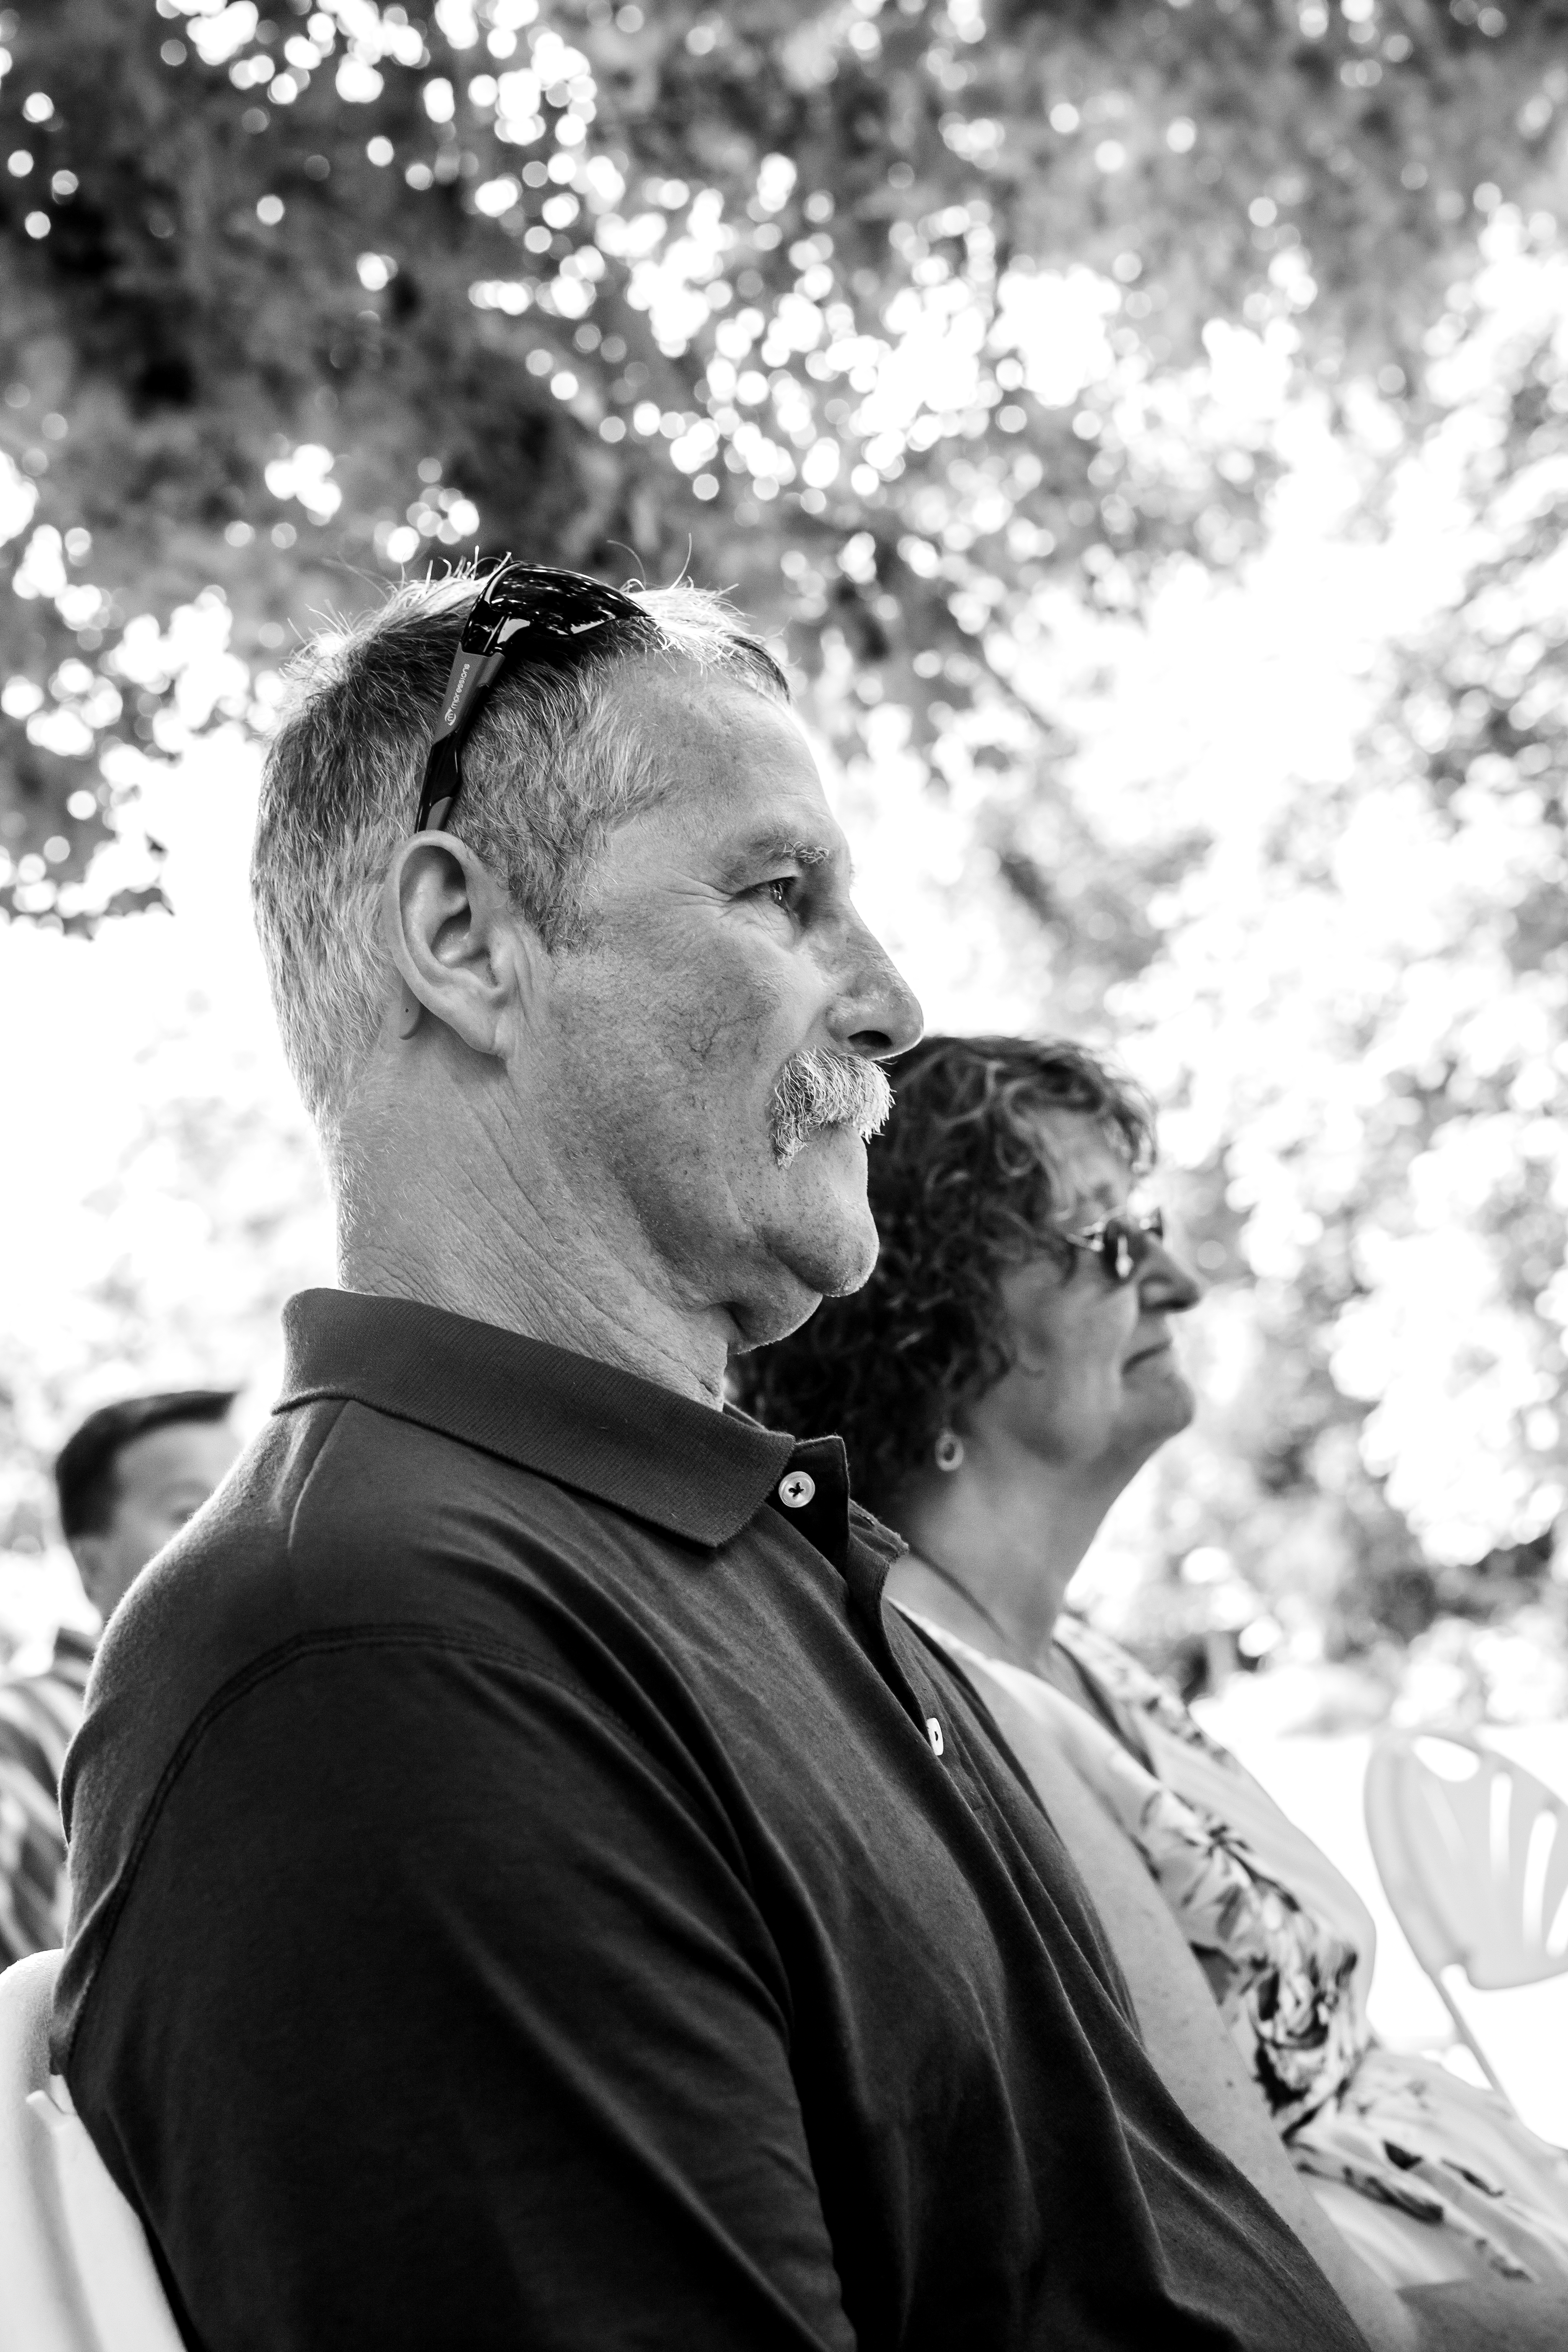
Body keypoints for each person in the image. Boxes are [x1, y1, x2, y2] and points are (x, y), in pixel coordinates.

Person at [54, 564, 1375, 2352]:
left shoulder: (727, 1538)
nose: (893, 1001)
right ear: (464, 940)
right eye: (780, 894)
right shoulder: (376, 1654)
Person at [741, 1031, 1568, 2347]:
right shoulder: (963, 1708)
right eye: (1110, 1242)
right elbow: (1292, 2290)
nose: (1178, 1280)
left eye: (1155, 1229)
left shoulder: (1074, 1655)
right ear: (931, 1331)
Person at [0, 1389, 238, 1964]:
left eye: (250, 1503)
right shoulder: (23, 1729)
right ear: (91, 1564)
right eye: (190, 1513)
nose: (237, 1535)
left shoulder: (267, 1718)